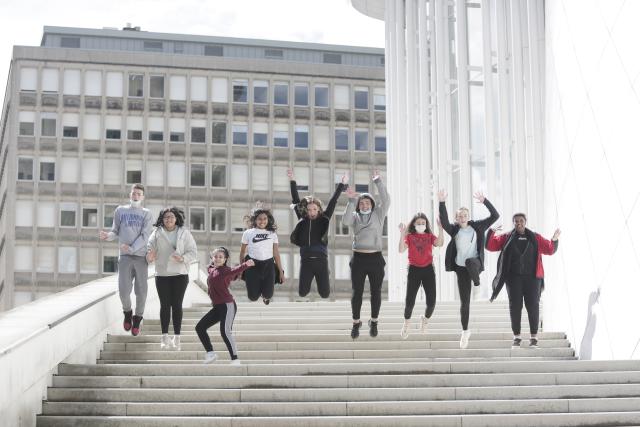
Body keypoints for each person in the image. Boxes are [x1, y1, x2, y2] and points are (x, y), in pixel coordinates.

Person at [486, 213, 560, 349]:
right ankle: (517, 337)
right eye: (516, 221)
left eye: (521, 221)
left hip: (532, 279)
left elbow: (549, 249)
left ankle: (533, 338)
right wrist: (491, 232)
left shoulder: (535, 237)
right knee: (515, 307)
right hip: (513, 279)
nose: (518, 223)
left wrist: (554, 239)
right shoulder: (506, 237)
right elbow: (490, 246)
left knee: (533, 306)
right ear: (513, 223)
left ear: (525, 222)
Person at [438, 189, 499, 349]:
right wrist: (442, 202)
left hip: (475, 264)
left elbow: (495, 216)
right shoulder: (454, 230)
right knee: (465, 303)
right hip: (461, 269)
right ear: (456, 219)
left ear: (468, 217)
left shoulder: (478, 227)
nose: (462, 218)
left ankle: (477, 283)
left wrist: (485, 201)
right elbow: (444, 222)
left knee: (470, 262)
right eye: (459, 216)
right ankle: (465, 331)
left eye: (465, 215)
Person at [99, 183, 153, 336]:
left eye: (138, 194)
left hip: (141, 257)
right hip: (125, 257)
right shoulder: (120, 210)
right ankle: (128, 313)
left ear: (142, 197)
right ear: (130, 194)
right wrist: (107, 236)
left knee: (141, 292)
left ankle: (138, 318)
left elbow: (145, 235)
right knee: (124, 291)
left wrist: (132, 248)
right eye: (133, 193)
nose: (135, 195)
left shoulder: (146, 213)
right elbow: (114, 231)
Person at [342, 170, 390, 339]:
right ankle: (356, 323)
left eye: (367, 203)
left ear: (371, 204)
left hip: (375, 258)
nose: (364, 205)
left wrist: (378, 181)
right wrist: (350, 201)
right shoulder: (354, 216)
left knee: (376, 292)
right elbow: (345, 221)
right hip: (359, 259)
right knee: (357, 292)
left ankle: (374, 321)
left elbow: (386, 200)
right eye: (361, 203)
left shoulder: (379, 214)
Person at [288, 168, 348, 299]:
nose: (311, 212)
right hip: (306, 261)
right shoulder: (302, 219)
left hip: (321, 260)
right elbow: (296, 199)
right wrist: (292, 180)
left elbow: (333, 201)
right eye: (309, 210)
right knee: (302, 293)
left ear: (319, 209)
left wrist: (341, 185)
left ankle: (326, 272)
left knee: (325, 294)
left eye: (314, 209)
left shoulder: (324, 217)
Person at [146, 207, 197, 350]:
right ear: (162, 219)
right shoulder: (156, 233)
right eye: (166, 217)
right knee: (164, 305)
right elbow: (149, 248)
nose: (169, 219)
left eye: (172, 217)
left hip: (180, 274)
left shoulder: (184, 232)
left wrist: (182, 258)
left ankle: (177, 337)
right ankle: (164, 337)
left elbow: (193, 252)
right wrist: (149, 255)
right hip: (162, 274)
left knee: (177, 305)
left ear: (176, 219)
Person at [196, 247, 254, 364]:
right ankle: (211, 354)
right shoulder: (212, 269)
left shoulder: (225, 270)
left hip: (227, 305)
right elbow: (210, 268)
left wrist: (246, 264)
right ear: (212, 257)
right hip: (217, 307)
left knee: (225, 331)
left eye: (220, 257)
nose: (217, 259)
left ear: (225, 259)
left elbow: (235, 270)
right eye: (215, 256)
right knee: (200, 327)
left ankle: (235, 359)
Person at [398, 213, 444, 339]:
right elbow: (401, 250)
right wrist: (402, 234)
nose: (421, 225)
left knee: (431, 303)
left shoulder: (429, 236)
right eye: (418, 223)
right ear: (414, 224)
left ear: (426, 224)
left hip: (428, 270)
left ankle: (425, 320)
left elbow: (440, 243)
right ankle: (407, 322)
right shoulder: (410, 236)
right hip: (414, 270)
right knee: (409, 302)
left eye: (423, 223)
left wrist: (440, 228)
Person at [239, 207, 285, 305]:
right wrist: (241, 269)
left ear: (268, 220)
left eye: (265, 219)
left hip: (268, 264)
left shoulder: (272, 234)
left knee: (268, 295)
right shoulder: (248, 233)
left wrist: (281, 272)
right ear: (255, 220)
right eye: (260, 219)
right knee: (253, 297)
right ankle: (256, 289)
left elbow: (276, 254)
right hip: (252, 265)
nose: (262, 221)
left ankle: (265, 296)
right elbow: (242, 252)